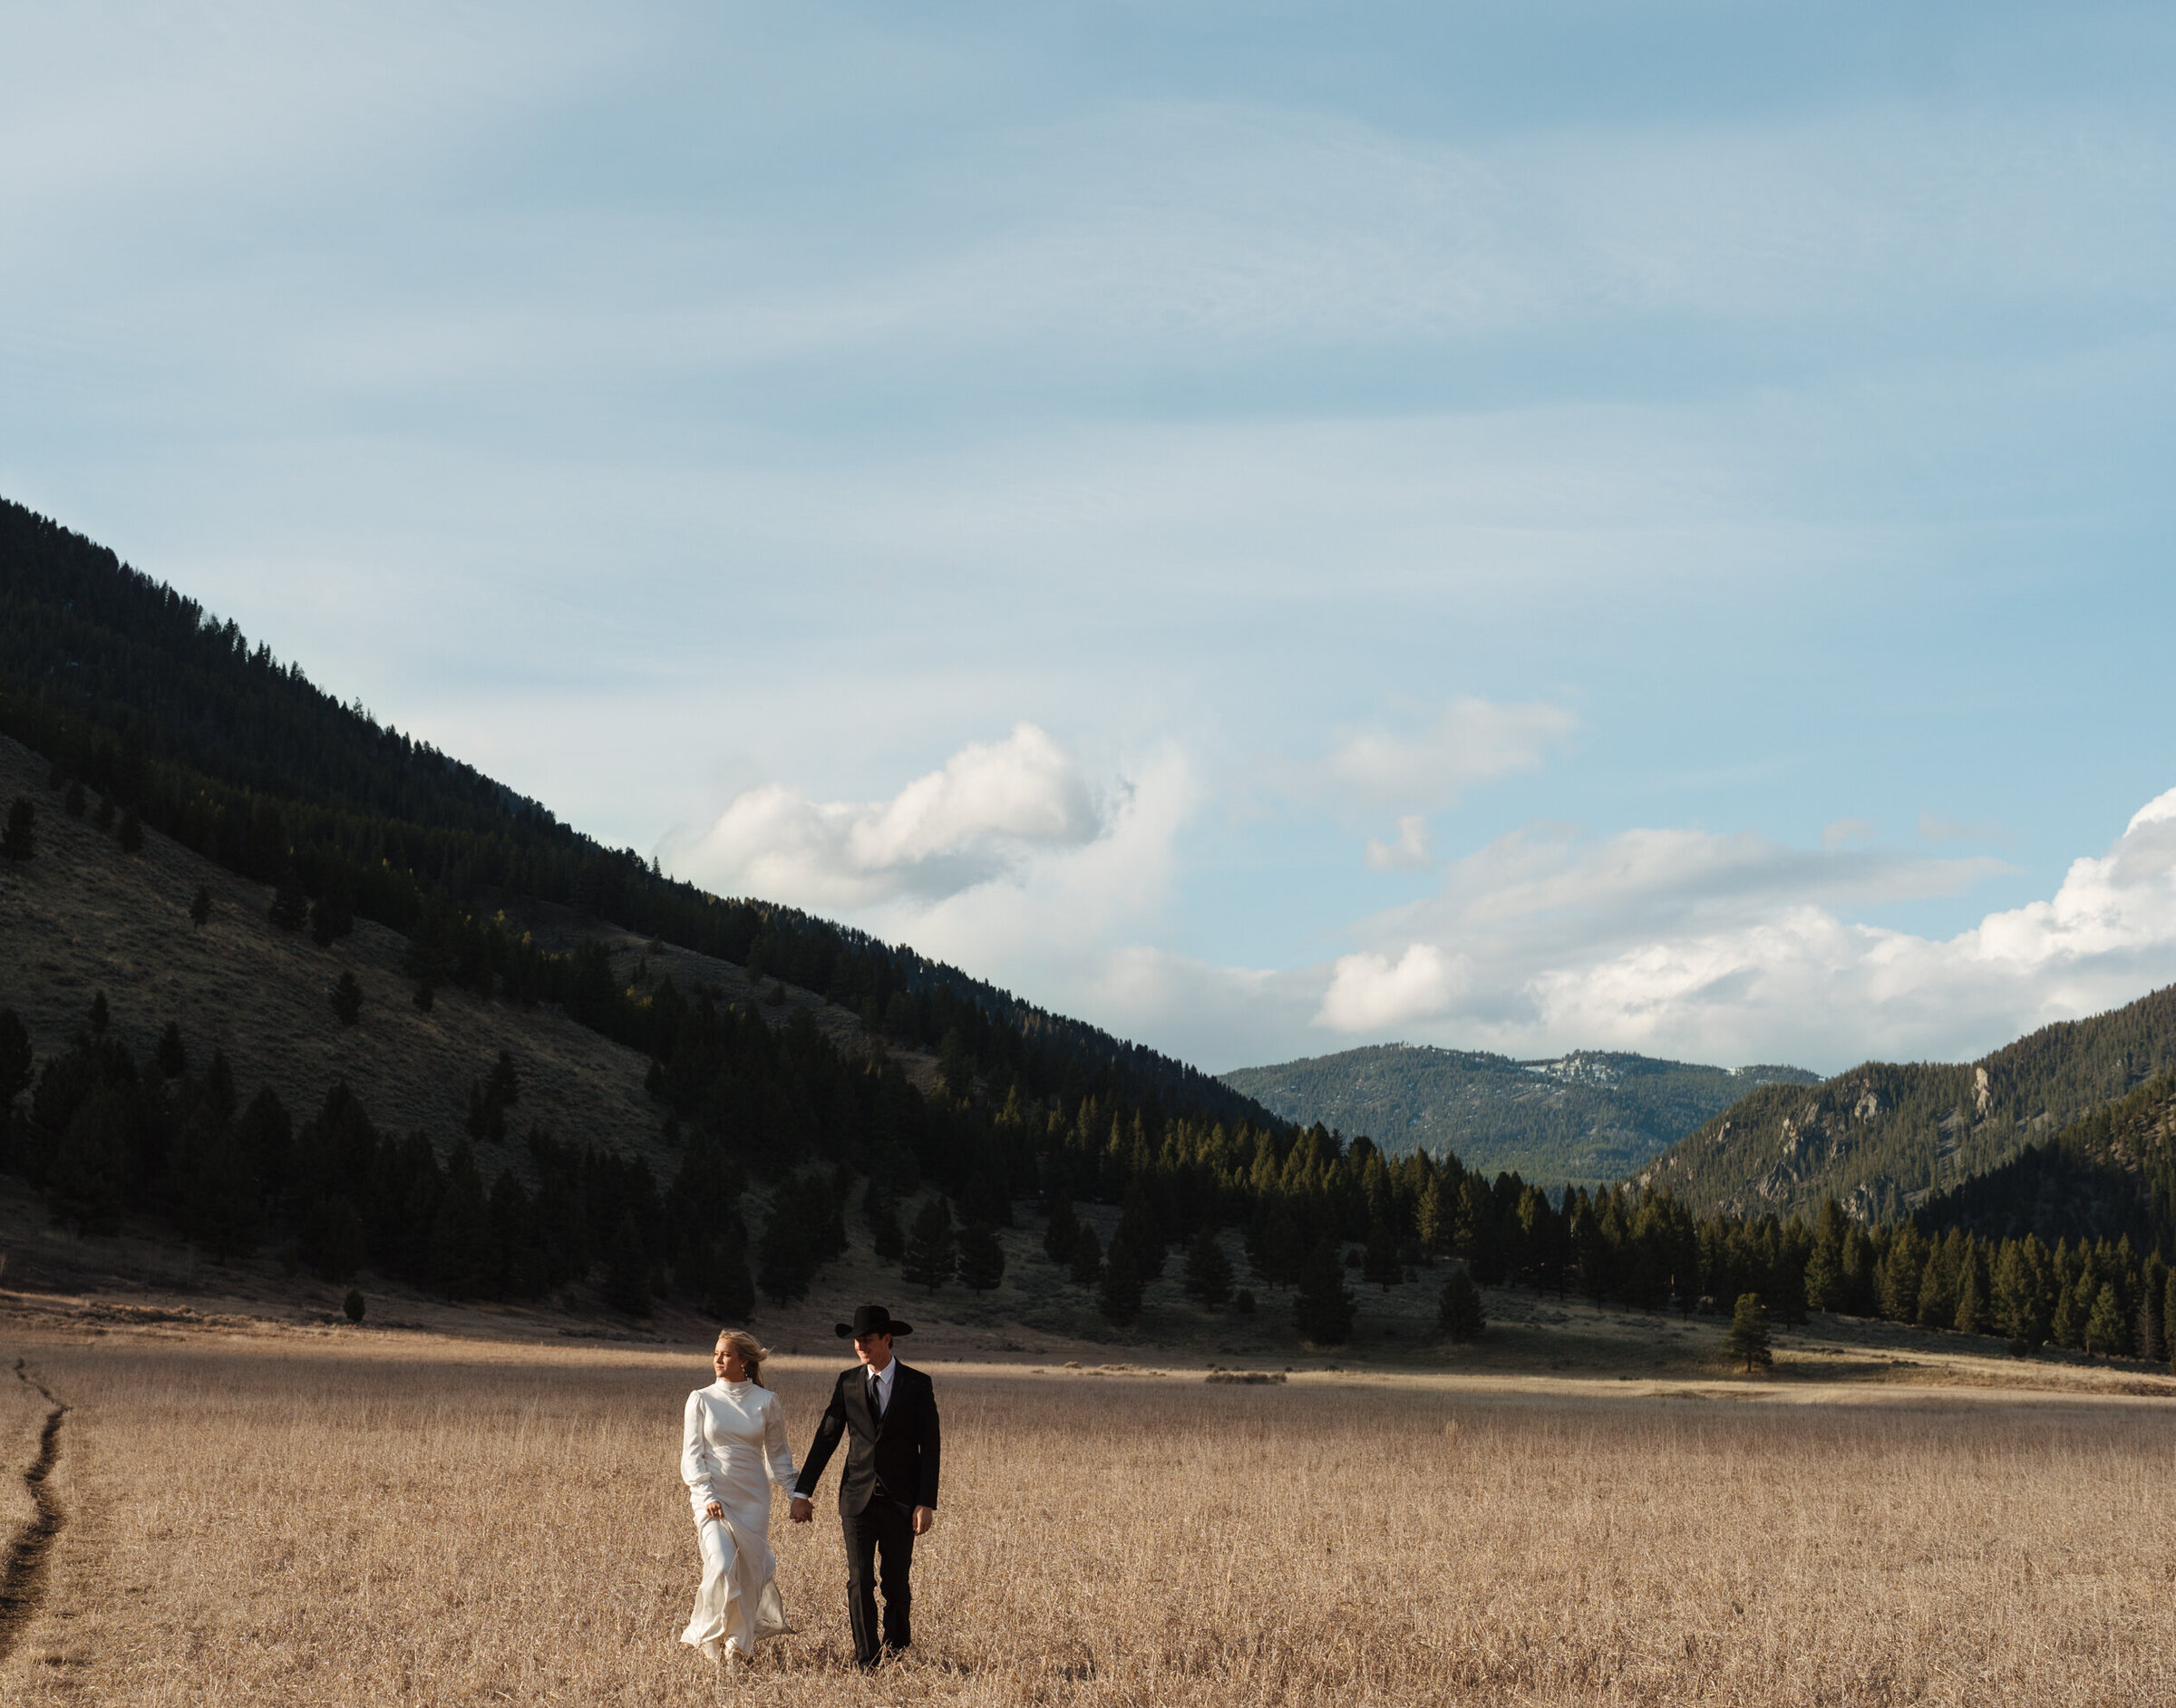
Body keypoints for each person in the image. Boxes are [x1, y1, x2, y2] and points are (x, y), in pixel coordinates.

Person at [789, 1303, 942, 1670]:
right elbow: (827, 1437)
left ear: (887, 1339)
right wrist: (801, 1491)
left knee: (896, 1584)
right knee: (859, 1582)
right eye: (856, 1341)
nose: (860, 1347)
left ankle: (896, 1650)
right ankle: (867, 1660)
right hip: (855, 1498)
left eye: (867, 1341)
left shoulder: (917, 1384)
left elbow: (931, 1445)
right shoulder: (847, 1382)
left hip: (901, 1502)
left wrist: (926, 1502)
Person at [678, 1329, 800, 1666]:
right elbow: (692, 1456)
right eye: (716, 1353)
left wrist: (796, 1494)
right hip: (712, 1499)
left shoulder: (766, 1401)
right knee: (719, 1564)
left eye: (726, 1354)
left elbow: (778, 1458)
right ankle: (711, 1635)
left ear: (744, 1360)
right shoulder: (700, 1398)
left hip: (753, 1499)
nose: (717, 1360)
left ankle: (737, 1646)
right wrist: (705, 1495)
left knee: (748, 1574)